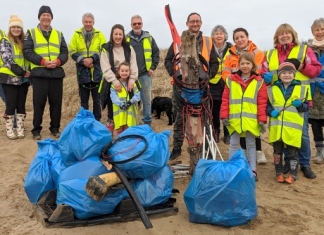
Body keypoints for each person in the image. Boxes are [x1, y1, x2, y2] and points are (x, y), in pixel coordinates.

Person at [261, 23, 322, 179]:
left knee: (301, 134)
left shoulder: (304, 50)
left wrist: (301, 66)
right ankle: (288, 163)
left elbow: (316, 69)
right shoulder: (269, 54)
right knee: (283, 133)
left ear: (293, 35)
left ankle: (305, 164)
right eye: (281, 34)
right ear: (277, 37)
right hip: (279, 100)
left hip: (299, 100)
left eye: (287, 33)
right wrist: (265, 78)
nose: (284, 36)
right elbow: (263, 72)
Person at [164, 12, 218, 160]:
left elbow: (214, 63)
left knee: (204, 118)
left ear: (201, 23)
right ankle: (177, 147)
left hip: (201, 88)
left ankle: (207, 148)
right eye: (192, 21)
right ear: (187, 23)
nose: (195, 24)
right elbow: (168, 60)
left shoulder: (208, 41)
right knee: (179, 118)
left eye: (197, 21)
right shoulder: (178, 41)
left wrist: (208, 76)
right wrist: (174, 74)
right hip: (180, 88)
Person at [222, 27, 267, 165]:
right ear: (234, 40)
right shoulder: (229, 55)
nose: (240, 39)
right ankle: (240, 160)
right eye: (236, 38)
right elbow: (225, 72)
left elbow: (262, 69)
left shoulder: (257, 52)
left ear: (247, 37)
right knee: (237, 134)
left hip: (253, 88)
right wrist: (234, 83)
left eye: (242, 36)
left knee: (251, 129)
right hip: (236, 89)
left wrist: (253, 81)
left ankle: (257, 154)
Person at [23, 5, 69, 140]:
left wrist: (58, 62)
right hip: (39, 74)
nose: (46, 17)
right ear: (39, 17)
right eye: (43, 15)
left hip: (56, 74)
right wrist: (43, 62)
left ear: (51, 18)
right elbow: (27, 51)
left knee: (56, 103)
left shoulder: (59, 34)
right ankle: (36, 130)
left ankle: (55, 128)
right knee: (39, 103)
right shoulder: (31, 33)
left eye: (48, 15)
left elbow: (65, 52)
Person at [267, 62, 309, 184]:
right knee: (277, 152)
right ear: (279, 75)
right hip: (277, 127)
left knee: (293, 153)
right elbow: (268, 106)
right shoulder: (272, 89)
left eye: (290, 73)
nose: (287, 75)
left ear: (294, 75)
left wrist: (300, 105)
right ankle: (279, 173)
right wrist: (271, 112)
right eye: (283, 73)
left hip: (292, 129)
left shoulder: (302, 89)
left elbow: (306, 108)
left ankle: (293, 174)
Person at [100, 24, 138, 133]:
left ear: (123, 35)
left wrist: (132, 80)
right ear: (112, 35)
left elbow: (134, 65)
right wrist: (115, 81)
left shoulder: (129, 48)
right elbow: (105, 68)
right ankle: (110, 138)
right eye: (115, 34)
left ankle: (127, 135)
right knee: (112, 111)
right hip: (111, 83)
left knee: (128, 111)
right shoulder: (105, 49)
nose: (118, 36)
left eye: (120, 34)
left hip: (128, 83)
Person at [69, 13, 106, 121]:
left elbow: (104, 50)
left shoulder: (100, 34)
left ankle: (96, 121)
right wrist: (83, 60)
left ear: (93, 22)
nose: (88, 24)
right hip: (82, 71)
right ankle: (84, 121)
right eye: (86, 22)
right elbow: (72, 50)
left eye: (90, 22)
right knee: (84, 100)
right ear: (83, 22)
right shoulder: (76, 34)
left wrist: (92, 59)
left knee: (97, 99)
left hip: (96, 71)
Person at [0, 15, 30, 139]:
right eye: (14, 27)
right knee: (11, 104)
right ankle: (10, 130)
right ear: (10, 28)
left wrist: (28, 72)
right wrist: (22, 72)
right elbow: (7, 59)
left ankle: (20, 128)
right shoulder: (5, 41)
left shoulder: (24, 42)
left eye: (18, 27)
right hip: (9, 78)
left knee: (21, 104)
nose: (16, 29)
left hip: (24, 79)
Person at [126, 15, 160, 125]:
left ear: (142, 24)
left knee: (147, 100)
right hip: (130, 76)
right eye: (134, 23)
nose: (137, 25)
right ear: (131, 25)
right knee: (132, 100)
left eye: (139, 23)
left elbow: (156, 53)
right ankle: (133, 122)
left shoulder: (149, 37)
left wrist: (153, 67)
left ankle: (147, 122)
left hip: (145, 75)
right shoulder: (126, 39)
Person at [209, 25, 232, 144]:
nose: (219, 35)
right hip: (213, 83)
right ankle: (216, 131)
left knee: (227, 108)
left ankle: (227, 133)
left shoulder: (232, 48)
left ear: (225, 36)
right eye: (216, 33)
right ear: (212, 36)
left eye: (221, 33)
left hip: (228, 83)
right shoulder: (208, 48)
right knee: (214, 110)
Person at [307, 18, 324, 164]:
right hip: (312, 91)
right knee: (315, 123)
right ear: (313, 31)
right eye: (317, 29)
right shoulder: (307, 48)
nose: (320, 32)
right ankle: (320, 151)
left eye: (322, 29)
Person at [110, 61, 141, 136]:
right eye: (122, 71)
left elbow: (138, 95)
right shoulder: (115, 85)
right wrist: (120, 104)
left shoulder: (132, 83)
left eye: (126, 71)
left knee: (129, 131)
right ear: (118, 71)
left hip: (130, 113)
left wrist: (130, 102)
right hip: (120, 113)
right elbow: (113, 96)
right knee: (119, 132)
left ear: (129, 72)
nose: (124, 73)